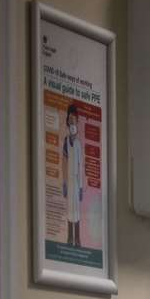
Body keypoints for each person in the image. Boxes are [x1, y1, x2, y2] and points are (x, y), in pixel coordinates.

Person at [62, 104, 84, 247]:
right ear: (67, 122)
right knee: (69, 209)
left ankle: (78, 238)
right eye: (70, 120)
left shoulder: (78, 143)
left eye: (74, 120)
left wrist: (81, 186)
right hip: (69, 181)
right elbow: (64, 162)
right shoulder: (66, 142)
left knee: (77, 210)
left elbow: (80, 165)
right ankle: (70, 237)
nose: (72, 123)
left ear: (77, 123)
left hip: (76, 180)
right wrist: (64, 183)